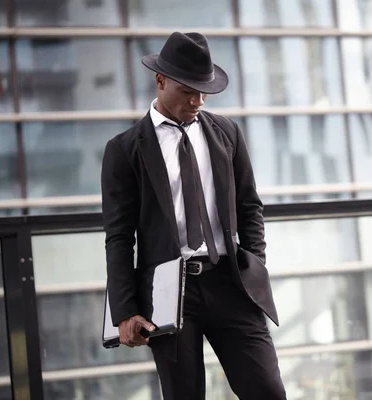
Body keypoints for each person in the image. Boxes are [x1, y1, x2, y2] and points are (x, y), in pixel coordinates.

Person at [101, 31, 286, 399]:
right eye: (188, 90)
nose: (198, 100)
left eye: (204, 91)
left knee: (267, 390)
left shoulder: (227, 133)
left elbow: (250, 208)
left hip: (231, 283)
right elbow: (119, 236)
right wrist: (125, 310)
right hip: (170, 292)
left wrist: (255, 266)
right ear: (160, 80)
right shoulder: (124, 150)